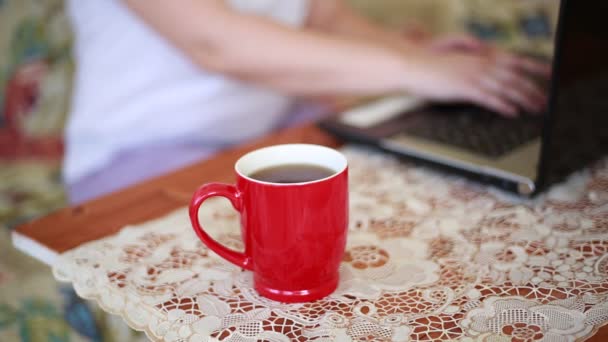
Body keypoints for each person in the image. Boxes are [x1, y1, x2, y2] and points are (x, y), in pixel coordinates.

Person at [65, 0, 550, 204]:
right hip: (141, 155)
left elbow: (321, 15)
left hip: (273, 126)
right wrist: (419, 72)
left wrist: (416, 54)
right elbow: (213, 43)